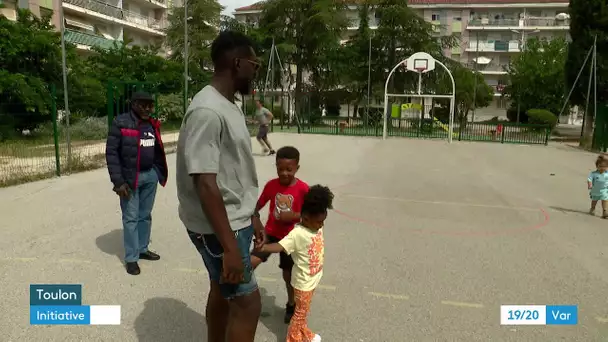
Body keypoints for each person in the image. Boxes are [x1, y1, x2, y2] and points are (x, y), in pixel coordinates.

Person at [175, 30, 266, 342]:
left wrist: (252, 213)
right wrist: (229, 247)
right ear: (238, 63)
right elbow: (205, 183)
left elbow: (234, 169)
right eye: (255, 64)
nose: (256, 70)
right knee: (247, 303)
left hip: (234, 220)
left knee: (221, 289)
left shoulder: (229, 104)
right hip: (219, 228)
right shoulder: (207, 110)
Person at [257, 185, 334, 342]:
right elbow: (280, 246)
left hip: (313, 278)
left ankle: (304, 333)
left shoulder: (315, 226)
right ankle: (293, 339)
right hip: (303, 283)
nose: (322, 225)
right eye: (319, 222)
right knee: (299, 314)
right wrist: (264, 247)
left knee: (303, 311)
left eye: (323, 220)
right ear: (305, 218)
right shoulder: (297, 234)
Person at [105, 91, 168, 276]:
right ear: (133, 104)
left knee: (145, 215)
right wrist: (118, 181)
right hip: (130, 179)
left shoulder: (152, 124)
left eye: (150, 105)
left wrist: (156, 172)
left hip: (150, 176)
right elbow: (111, 153)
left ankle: (142, 249)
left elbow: (157, 149)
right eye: (143, 104)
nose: (148, 108)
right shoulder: (121, 122)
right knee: (131, 218)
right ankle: (132, 258)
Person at [251, 146, 309, 323]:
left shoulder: (303, 189)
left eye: (289, 170)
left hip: (291, 239)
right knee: (249, 263)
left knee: (288, 274)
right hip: (270, 233)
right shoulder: (271, 185)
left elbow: (312, 215)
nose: (284, 173)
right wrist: (256, 221)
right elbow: (256, 207)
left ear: (297, 168)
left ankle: (291, 304)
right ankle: (240, 299)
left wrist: (292, 216)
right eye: (280, 169)